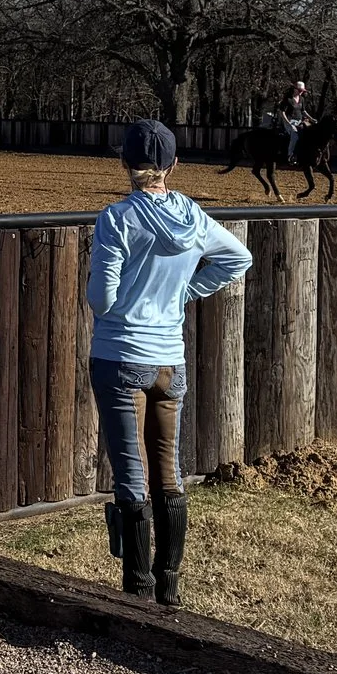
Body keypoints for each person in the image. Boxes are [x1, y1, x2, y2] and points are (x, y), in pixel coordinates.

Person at [85, 119, 252, 609]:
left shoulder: (116, 218)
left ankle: (137, 589)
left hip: (120, 356)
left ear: (124, 164)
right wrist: (184, 293)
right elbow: (238, 258)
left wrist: (116, 304)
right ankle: (169, 584)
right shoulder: (193, 217)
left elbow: (101, 299)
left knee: (130, 473)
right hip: (168, 361)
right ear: (173, 166)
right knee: (168, 470)